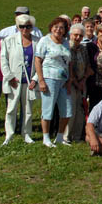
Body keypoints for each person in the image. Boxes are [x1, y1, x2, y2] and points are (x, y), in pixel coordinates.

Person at [0, 14, 39, 145]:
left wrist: (35, 78)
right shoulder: (9, 40)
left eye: (28, 26)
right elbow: (3, 60)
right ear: (17, 27)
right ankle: (9, 134)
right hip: (14, 80)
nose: (25, 29)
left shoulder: (37, 41)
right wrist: (9, 76)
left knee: (28, 109)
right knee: (11, 109)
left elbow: (42, 62)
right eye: (22, 27)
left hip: (29, 81)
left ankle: (27, 133)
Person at [35, 17, 73, 148]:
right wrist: (41, 80)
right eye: (56, 27)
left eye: (61, 27)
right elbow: (38, 60)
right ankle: (46, 137)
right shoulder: (44, 41)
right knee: (48, 109)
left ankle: (60, 137)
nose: (58, 29)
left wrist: (69, 80)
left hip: (64, 80)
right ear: (51, 28)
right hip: (49, 78)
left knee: (67, 111)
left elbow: (69, 63)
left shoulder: (66, 43)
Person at [65, 23, 93, 143]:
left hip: (82, 83)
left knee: (81, 110)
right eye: (75, 35)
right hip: (70, 84)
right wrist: (76, 82)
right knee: (70, 109)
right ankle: (67, 136)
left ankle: (77, 136)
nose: (77, 38)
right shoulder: (66, 48)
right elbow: (67, 68)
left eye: (80, 36)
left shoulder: (83, 48)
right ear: (70, 35)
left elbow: (88, 65)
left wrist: (83, 80)